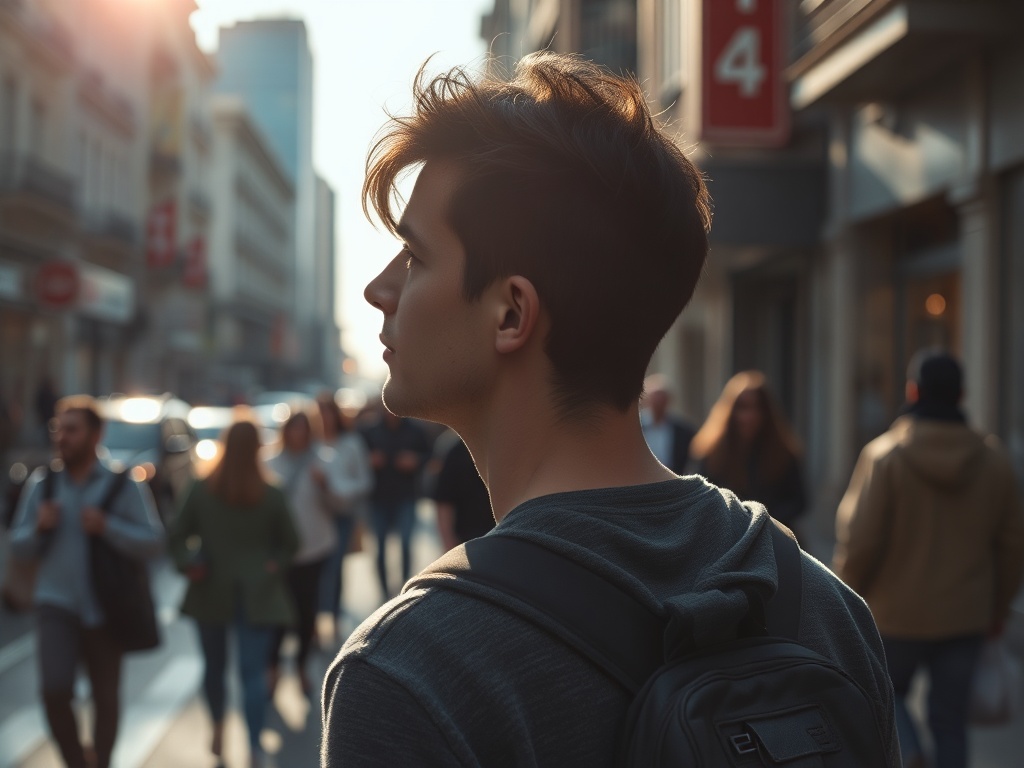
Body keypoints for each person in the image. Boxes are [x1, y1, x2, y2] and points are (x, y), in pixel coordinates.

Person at [322, 52, 899, 766]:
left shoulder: (411, 672)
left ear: (511, 314)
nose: (380, 290)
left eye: (415, 257)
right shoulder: (825, 608)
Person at [834, 349, 1024, 768]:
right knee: (951, 722)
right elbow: (1012, 544)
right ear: (963, 395)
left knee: (886, 696)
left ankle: (912, 755)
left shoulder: (885, 457)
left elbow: (860, 540)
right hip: (966, 615)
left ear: (912, 390)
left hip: (893, 614)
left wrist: (845, 596)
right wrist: (997, 608)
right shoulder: (994, 461)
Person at [9, 395, 163, 768]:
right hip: (55, 605)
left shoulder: (122, 485)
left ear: (96, 435)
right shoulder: (43, 484)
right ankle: (77, 761)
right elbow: (17, 545)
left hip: (106, 609)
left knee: (106, 700)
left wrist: (108, 527)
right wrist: (39, 528)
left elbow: (154, 541)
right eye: (58, 429)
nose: (63, 437)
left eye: (72, 430)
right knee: (54, 691)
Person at [169, 419, 298, 768]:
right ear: (259, 447)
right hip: (259, 591)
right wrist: (273, 564)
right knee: (251, 673)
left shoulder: (202, 488)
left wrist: (188, 563)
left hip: (210, 587)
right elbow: (291, 542)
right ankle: (254, 745)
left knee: (214, 668)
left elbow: (176, 536)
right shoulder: (270, 493)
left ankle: (218, 726)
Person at [264, 410, 344, 697]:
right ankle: (272, 668)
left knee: (305, 611)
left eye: (302, 429)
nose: (297, 434)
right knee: (276, 613)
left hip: (314, 547)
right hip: (278, 551)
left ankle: (301, 667)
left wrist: (325, 486)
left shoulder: (324, 461)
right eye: (292, 429)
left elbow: (339, 506)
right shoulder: (269, 462)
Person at [689, 370, 807, 527]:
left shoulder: (784, 453)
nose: (749, 416)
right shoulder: (710, 453)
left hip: (771, 535)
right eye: (743, 408)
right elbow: (698, 498)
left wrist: (763, 520)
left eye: (756, 408)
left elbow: (798, 501)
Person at [315, 392, 373, 640]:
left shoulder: (351, 443)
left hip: (341, 515)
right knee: (312, 571)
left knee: (334, 569)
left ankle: (333, 617)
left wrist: (336, 489)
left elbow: (365, 481)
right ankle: (314, 622)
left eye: (327, 413)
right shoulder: (311, 444)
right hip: (312, 517)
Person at [360, 409, 430, 599]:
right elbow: (357, 458)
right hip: (378, 498)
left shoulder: (415, 430)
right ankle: (384, 593)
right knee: (380, 547)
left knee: (406, 544)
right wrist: (369, 461)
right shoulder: (369, 431)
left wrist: (415, 460)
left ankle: (404, 591)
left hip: (406, 496)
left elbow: (429, 456)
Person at [432, 436, 494, 551]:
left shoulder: (500, 448)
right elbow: (444, 501)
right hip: (465, 540)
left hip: (500, 537)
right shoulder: (454, 451)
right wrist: (448, 541)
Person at [640, 373, 696, 475]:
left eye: (662, 398)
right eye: (655, 398)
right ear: (646, 400)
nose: (659, 402)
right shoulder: (635, 428)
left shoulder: (683, 430)